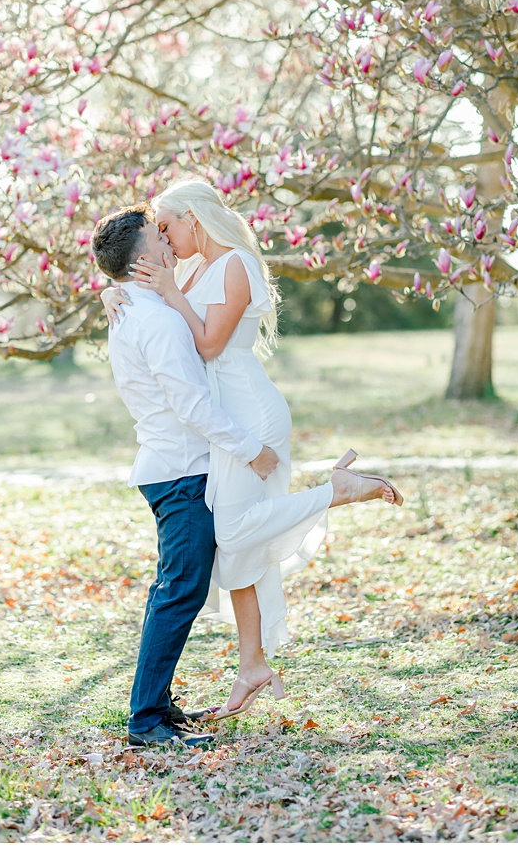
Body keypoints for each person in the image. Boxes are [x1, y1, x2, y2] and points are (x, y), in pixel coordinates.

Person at [100, 179, 404, 720]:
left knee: (234, 532)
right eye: (160, 233)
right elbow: (147, 296)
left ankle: (334, 492)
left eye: (168, 226)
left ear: (194, 218)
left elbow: (208, 342)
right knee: (238, 546)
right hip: (221, 418)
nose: (166, 240)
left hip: (245, 409)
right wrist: (120, 289)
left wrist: (162, 292)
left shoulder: (230, 263)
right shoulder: (183, 271)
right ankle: (253, 664)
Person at [90, 205, 281, 747]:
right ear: (145, 257)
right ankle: (146, 720)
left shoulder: (139, 307)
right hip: (179, 473)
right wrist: (252, 452)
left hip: (174, 467)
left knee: (179, 588)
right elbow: (192, 406)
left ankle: (158, 706)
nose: (168, 239)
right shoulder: (153, 320)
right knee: (179, 590)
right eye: (159, 234)